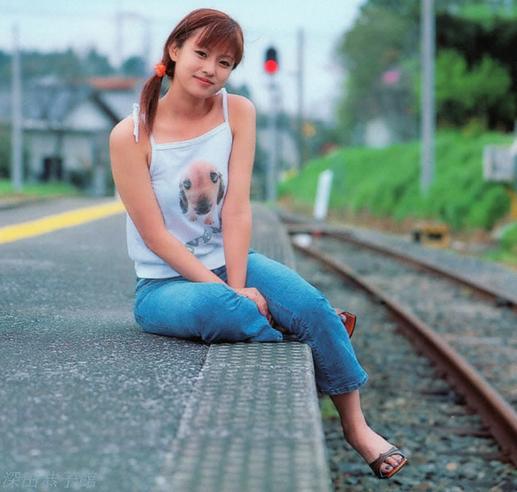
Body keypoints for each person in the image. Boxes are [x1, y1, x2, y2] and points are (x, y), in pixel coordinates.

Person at [109, 7, 407, 480]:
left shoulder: (238, 112)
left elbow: (236, 209)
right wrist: (232, 294)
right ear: (175, 50)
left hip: (233, 263)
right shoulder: (131, 135)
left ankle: (356, 427)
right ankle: (312, 340)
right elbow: (156, 237)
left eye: (224, 62)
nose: (211, 69)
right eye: (201, 54)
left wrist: (239, 283)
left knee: (310, 304)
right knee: (223, 309)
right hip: (164, 286)